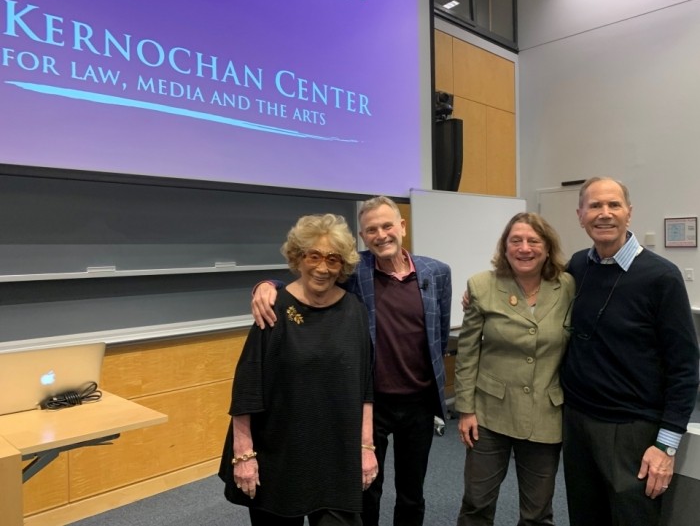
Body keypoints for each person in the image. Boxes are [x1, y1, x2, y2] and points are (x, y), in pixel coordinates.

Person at [251, 196, 452, 526]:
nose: (381, 235)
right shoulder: (354, 271)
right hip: (370, 403)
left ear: (402, 227)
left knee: (412, 492)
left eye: (388, 225)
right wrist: (267, 285)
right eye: (371, 230)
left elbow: (438, 335)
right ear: (363, 237)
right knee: (366, 488)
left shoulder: (437, 272)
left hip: (419, 402)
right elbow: (308, 273)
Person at [218, 213, 378, 526]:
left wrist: (366, 447)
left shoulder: (354, 310)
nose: (322, 268)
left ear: (342, 263)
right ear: (298, 258)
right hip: (279, 454)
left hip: (337, 453)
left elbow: (365, 386)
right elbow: (248, 384)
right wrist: (244, 453)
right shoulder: (274, 307)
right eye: (313, 256)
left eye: (332, 259)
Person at [560, 177, 700, 526]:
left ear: (629, 213)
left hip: (632, 431)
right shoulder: (578, 267)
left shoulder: (661, 277)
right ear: (580, 215)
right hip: (577, 422)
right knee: (584, 517)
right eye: (594, 206)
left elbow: (685, 367)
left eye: (613, 205)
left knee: (632, 519)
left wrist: (666, 446)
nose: (604, 214)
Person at [454, 212, 575, 526]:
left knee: (538, 512)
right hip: (489, 412)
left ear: (547, 248)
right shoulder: (482, 285)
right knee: (477, 504)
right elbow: (467, 353)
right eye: (516, 241)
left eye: (534, 241)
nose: (525, 248)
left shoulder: (567, 286)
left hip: (545, 414)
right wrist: (465, 409)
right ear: (504, 248)